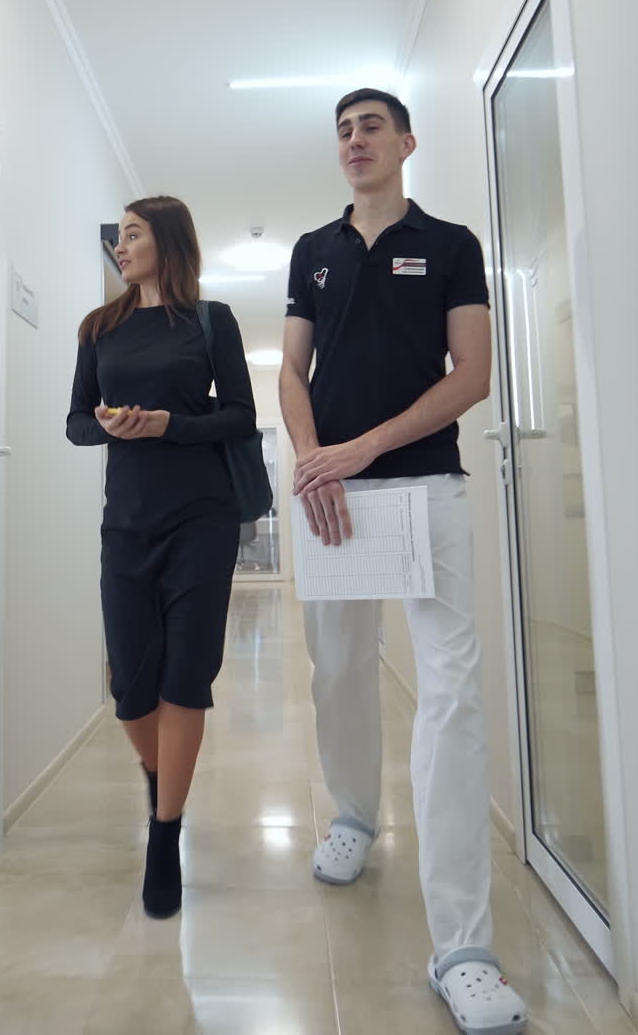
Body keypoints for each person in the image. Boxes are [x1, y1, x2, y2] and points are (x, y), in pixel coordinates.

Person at [279, 89, 527, 1033]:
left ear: (406, 142)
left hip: (425, 490)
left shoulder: (452, 244)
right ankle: (353, 814)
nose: (354, 139)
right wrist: (316, 460)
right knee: (339, 669)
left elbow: (473, 375)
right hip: (331, 496)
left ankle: (463, 949)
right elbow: (291, 371)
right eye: (343, 129)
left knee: (452, 694)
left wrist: (365, 448)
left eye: (371, 125)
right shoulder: (313, 250)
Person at [66, 195, 256, 919]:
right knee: (130, 687)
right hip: (127, 522)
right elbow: (76, 423)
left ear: (167, 241)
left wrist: (170, 423)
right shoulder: (99, 328)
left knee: (185, 679)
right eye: (119, 237)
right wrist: (111, 424)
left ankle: (165, 837)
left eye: (133, 234)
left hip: (202, 518)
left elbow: (240, 415)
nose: (121, 246)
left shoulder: (211, 320)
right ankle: (160, 778)